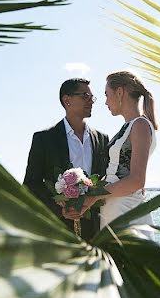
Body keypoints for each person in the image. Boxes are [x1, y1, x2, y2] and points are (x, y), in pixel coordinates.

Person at [65, 70, 158, 240]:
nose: (106, 101)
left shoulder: (140, 125)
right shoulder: (129, 126)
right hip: (114, 207)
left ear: (120, 92)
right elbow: (114, 173)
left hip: (125, 210)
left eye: (107, 94)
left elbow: (137, 180)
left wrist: (94, 196)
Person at [23, 78, 109, 240]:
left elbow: (105, 179)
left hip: (96, 230)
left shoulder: (102, 139)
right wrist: (60, 209)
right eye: (85, 96)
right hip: (58, 229)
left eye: (92, 97)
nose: (91, 101)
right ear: (67, 100)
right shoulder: (44, 139)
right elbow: (31, 183)